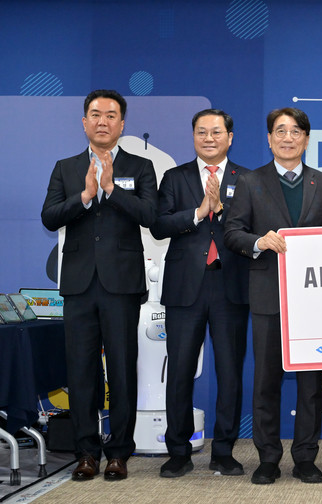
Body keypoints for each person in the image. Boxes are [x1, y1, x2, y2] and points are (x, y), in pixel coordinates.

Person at [41, 89, 157, 481]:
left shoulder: (141, 167)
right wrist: (86, 196)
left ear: (121, 124)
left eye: (110, 115)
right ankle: (86, 453)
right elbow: (49, 216)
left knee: (121, 369)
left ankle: (118, 453)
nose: (102, 121)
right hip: (78, 284)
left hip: (121, 284)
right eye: (95, 114)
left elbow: (151, 215)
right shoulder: (66, 167)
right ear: (84, 122)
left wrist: (111, 190)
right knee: (81, 371)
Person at [224, 107, 322, 485]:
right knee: (266, 382)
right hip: (267, 295)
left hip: (313, 299)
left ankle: (305, 457)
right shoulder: (250, 181)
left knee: (311, 384)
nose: (288, 138)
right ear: (269, 139)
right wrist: (259, 242)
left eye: (295, 132)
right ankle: (268, 458)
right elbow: (232, 232)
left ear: (306, 139)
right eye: (280, 131)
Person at [150, 109, 250, 478]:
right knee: (179, 371)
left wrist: (221, 212)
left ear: (230, 137)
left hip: (230, 286)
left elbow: (253, 227)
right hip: (184, 288)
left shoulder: (247, 179)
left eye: (216, 132)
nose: (209, 138)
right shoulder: (174, 178)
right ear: (193, 136)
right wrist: (198, 211)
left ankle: (224, 451)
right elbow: (159, 225)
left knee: (230, 373)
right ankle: (178, 451)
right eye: (202, 132)